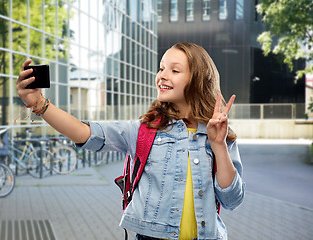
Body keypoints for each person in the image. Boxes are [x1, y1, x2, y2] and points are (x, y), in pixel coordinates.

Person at [16, 42, 245, 240]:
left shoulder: (219, 134)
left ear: (198, 79)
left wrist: (219, 146)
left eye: (175, 70)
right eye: (161, 68)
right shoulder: (144, 130)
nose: (162, 75)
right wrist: (40, 104)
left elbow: (232, 199)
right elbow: (86, 133)